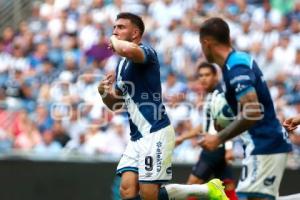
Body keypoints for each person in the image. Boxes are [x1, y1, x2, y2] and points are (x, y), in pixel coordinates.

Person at [98, 12, 228, 200]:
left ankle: (205, 190)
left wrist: (112, 40)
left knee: (149, 194)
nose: (115, 31)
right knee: (126, 191)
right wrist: (103, 92)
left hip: (156, 132)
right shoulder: (121, 66)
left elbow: (126, 50)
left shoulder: (146, 52)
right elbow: (116, 104)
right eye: (114, 28)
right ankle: (206, 190)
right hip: (137, 137)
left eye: (120, 27)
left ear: (135, 33)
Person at [198, 17, 292, 200]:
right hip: (262, 145)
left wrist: (218, 138)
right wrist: (225, 124)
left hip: (264, 145)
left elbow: (253, 111)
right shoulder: (235, 63)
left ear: (206, 43)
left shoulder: (236, 67)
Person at [176, 62, 238, 200]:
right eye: (201, 75)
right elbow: (204, 126)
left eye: (207, 75)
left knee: (192, 186)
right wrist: (182, 138)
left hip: (215, 147)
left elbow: (228, 122)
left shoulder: (220, 95)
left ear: (216, 76)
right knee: (228, 189)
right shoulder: (211, 96)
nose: (203, 78)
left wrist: (229, 148)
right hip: (217, 147)